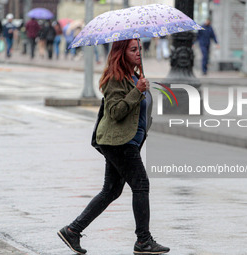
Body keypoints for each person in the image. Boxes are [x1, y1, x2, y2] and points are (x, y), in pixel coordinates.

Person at [57, 39, 170, 255]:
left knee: (111, 190)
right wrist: (137, 91)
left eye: (140, 49)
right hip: (118, 142)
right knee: (141, 184)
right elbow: (116, 112)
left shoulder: (135, 77)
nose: (139, 54)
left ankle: (72, 230)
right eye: (133, 50)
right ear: (121, 53)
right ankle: (143, 241)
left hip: (128, 141)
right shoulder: (114, 79)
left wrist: (140, 89)